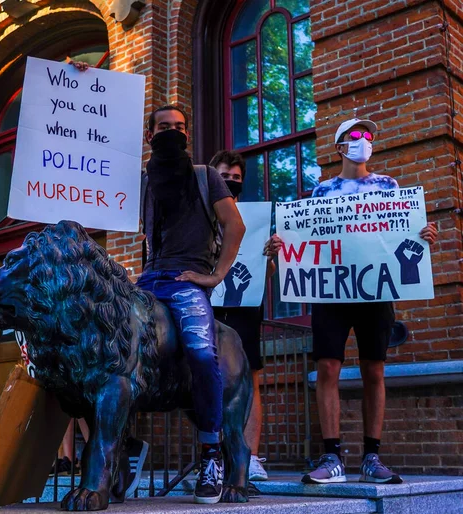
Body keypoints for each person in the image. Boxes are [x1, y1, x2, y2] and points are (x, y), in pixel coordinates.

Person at [265, 118, 437, 485]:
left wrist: (422, 233)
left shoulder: (389, 186)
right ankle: (332, 456)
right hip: (332, 290)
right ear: (340, 145)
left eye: (368, 135)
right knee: (328, 367)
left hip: (375, 290)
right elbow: (305, 240)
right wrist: (281, 247)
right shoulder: (321, 191)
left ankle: (372, 458)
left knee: (374, 368)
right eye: (355, 136)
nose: (364, 141)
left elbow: (399, 233)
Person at [137, 105, 245, 503]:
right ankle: (119, 452)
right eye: (164, 127)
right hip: (148, 279)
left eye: (179, 127)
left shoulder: (206, 176)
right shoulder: (141, 181)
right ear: (150, 135)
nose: (172, 132)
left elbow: (235, 225)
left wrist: (215, 275)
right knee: (113, 352)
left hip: (186, 281)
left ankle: (211, 453)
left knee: (202, 355)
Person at [209, 150, 274, 481]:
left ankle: (253, 457)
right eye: (224, 176)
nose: (230, 182)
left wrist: (270, 256)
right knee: (211, 381)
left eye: (236, 178)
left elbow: (268, 275)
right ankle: (216, 460)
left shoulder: (254, 221)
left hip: (246, 310)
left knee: (249, 381)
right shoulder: (200, 216)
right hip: (209, 306)